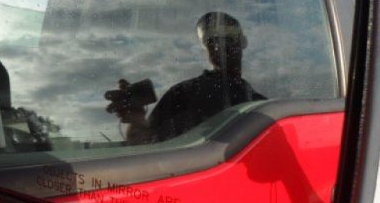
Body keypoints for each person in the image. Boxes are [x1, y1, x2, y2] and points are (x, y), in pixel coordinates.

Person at [106, 12, 265, 144]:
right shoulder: (183, 94)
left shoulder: (260, 103)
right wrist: (136, 119)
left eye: (228, 38)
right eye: (211, 41)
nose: (219, 46)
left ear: (242, 43)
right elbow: (144, 145)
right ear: (206, 49)